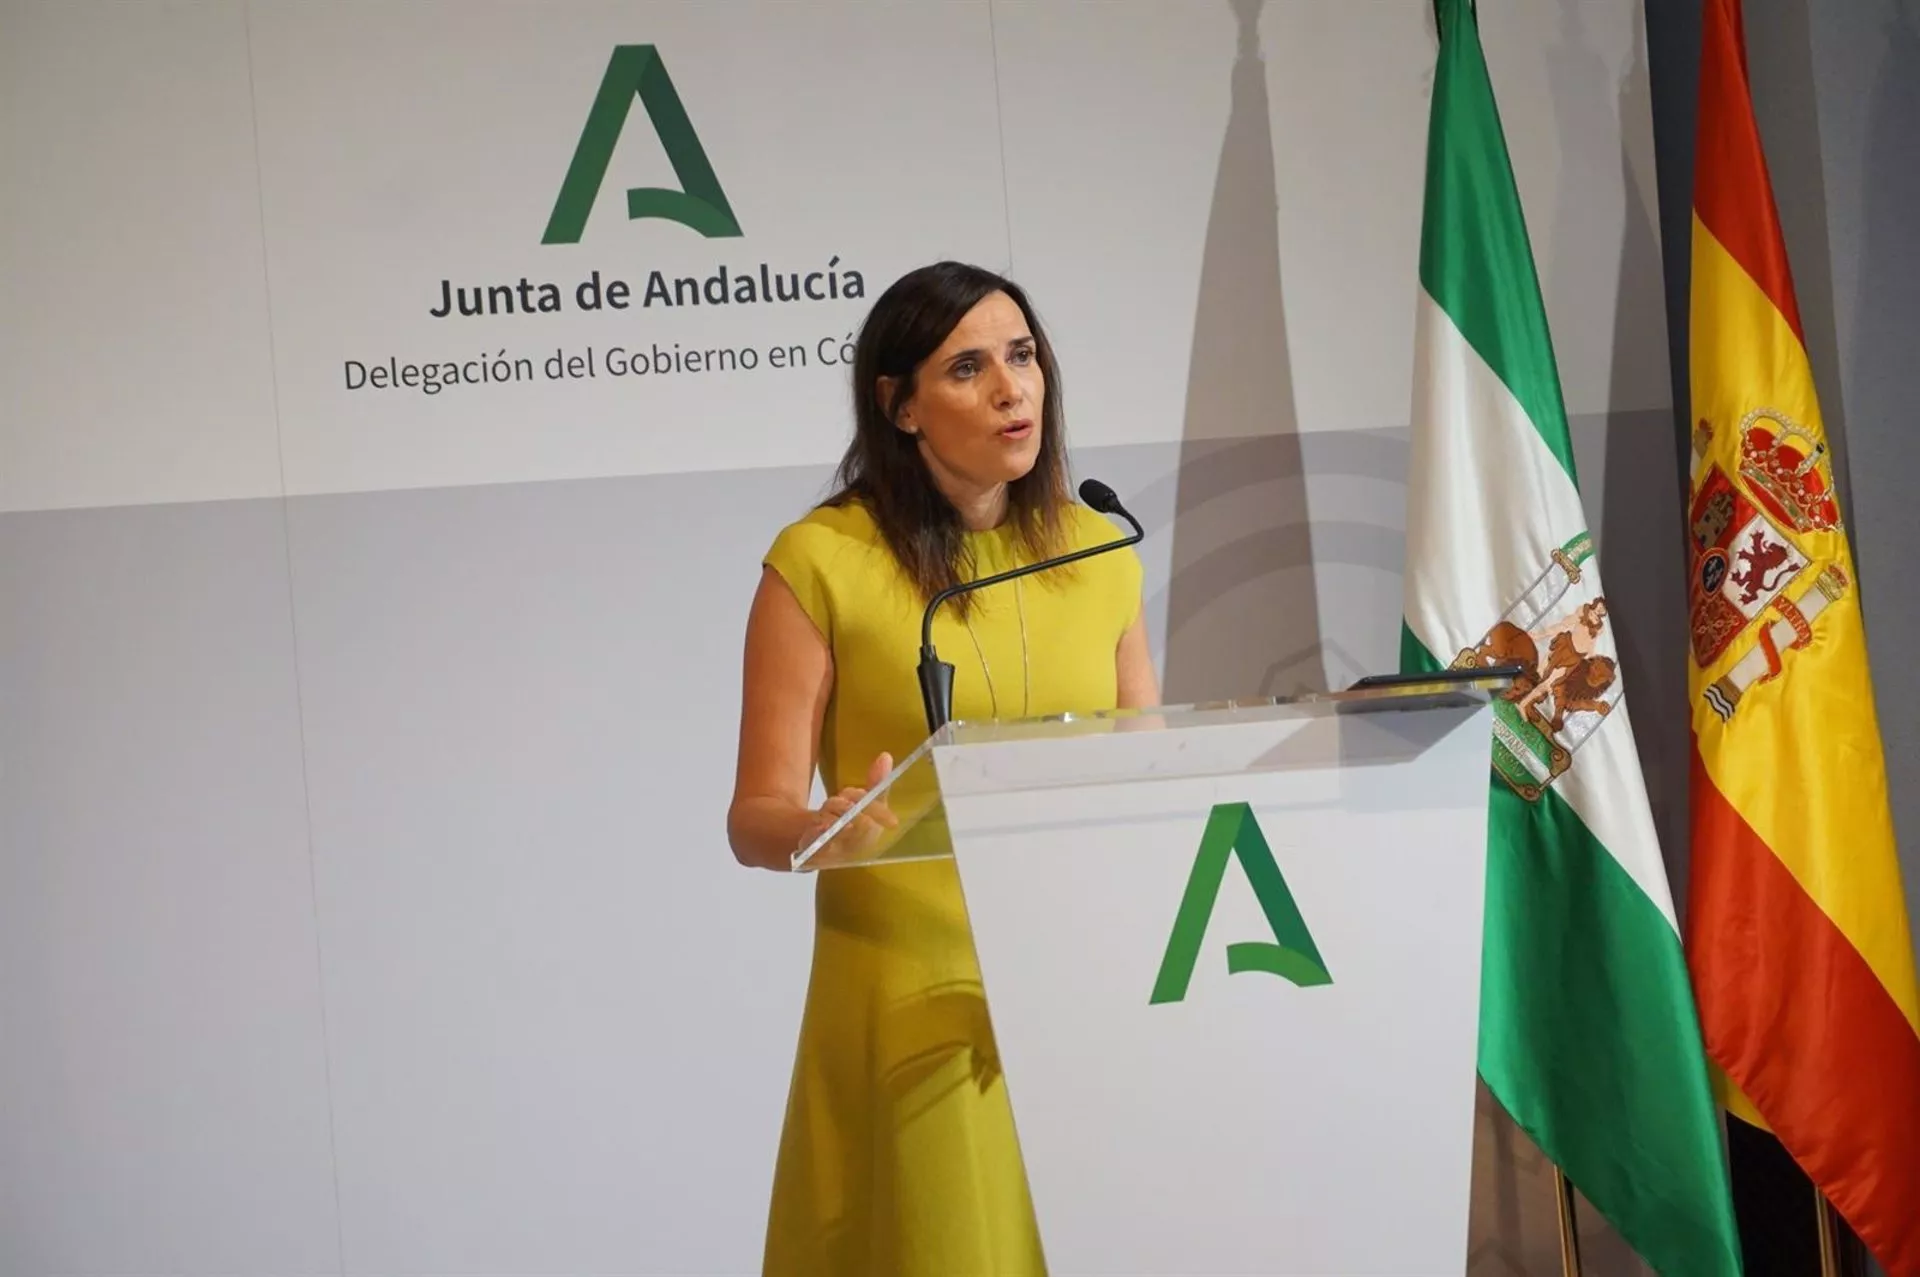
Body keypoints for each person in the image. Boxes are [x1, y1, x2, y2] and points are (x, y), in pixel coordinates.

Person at [727, 260, 1157, 1274]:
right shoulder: (822, 561)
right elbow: (753, 815)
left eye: (1023, 356)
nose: (1014, 389)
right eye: (968, 367)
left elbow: (1154, 775)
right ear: (900, 404)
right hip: (915, 998)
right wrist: (825, 829)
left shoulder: (1102, 552)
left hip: (1082, 986)